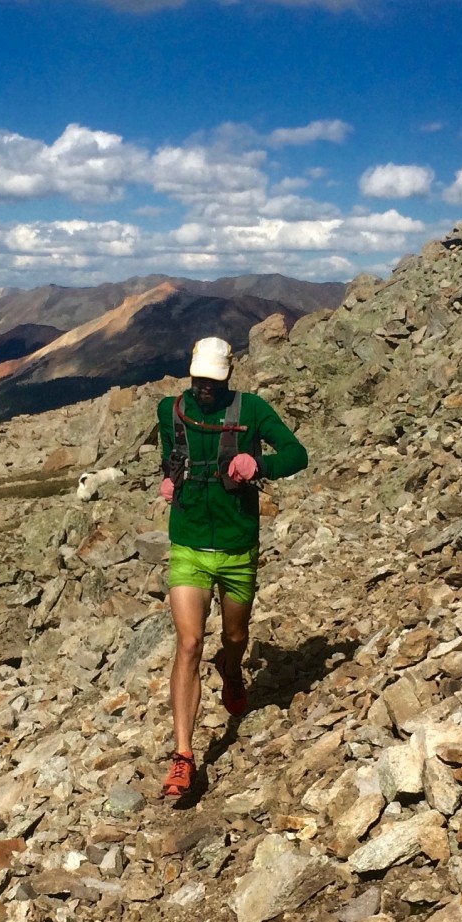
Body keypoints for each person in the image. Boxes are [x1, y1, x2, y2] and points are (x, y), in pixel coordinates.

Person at [156, 336, 308, 804]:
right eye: (199, 380)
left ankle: (232, 666)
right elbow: (170, 456)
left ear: (227, 378)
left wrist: (257, 463)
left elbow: (297, 454)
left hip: (238, 547)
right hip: (188, 544)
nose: (205, 388)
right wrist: (169, 479)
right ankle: (184, 756)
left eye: (213, 381)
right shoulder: (170, 412)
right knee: (188, 642)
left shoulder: (252, 410)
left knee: (235, 636)